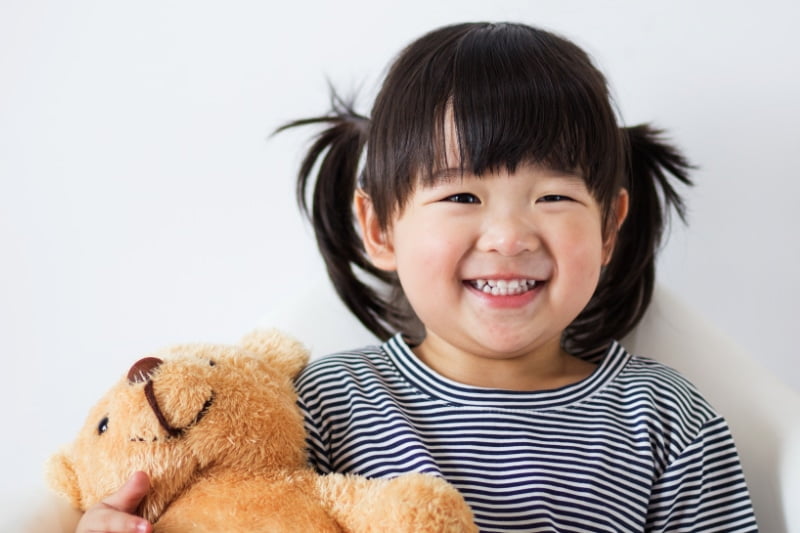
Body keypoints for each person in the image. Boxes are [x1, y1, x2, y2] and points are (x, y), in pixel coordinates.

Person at [75, 21, 757, 533]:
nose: (510, 235)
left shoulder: (666, 419)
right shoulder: (319, 405)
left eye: (553, 196)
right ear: (379, 229)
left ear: (609, 227)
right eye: (461, 196)